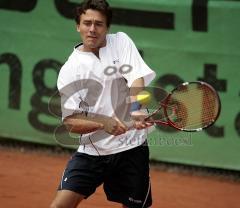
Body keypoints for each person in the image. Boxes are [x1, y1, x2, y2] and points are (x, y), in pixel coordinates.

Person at [50, 0, 156, 207]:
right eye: (87, 23)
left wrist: (135, 109)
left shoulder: (121, 42)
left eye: (98, 24)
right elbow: (71, 121)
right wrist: (104, 123)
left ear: (107, 27)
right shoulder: (70, 70)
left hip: (132, 148)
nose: (92, 29)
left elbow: (136, 77)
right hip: (93, 152)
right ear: (77, 26)